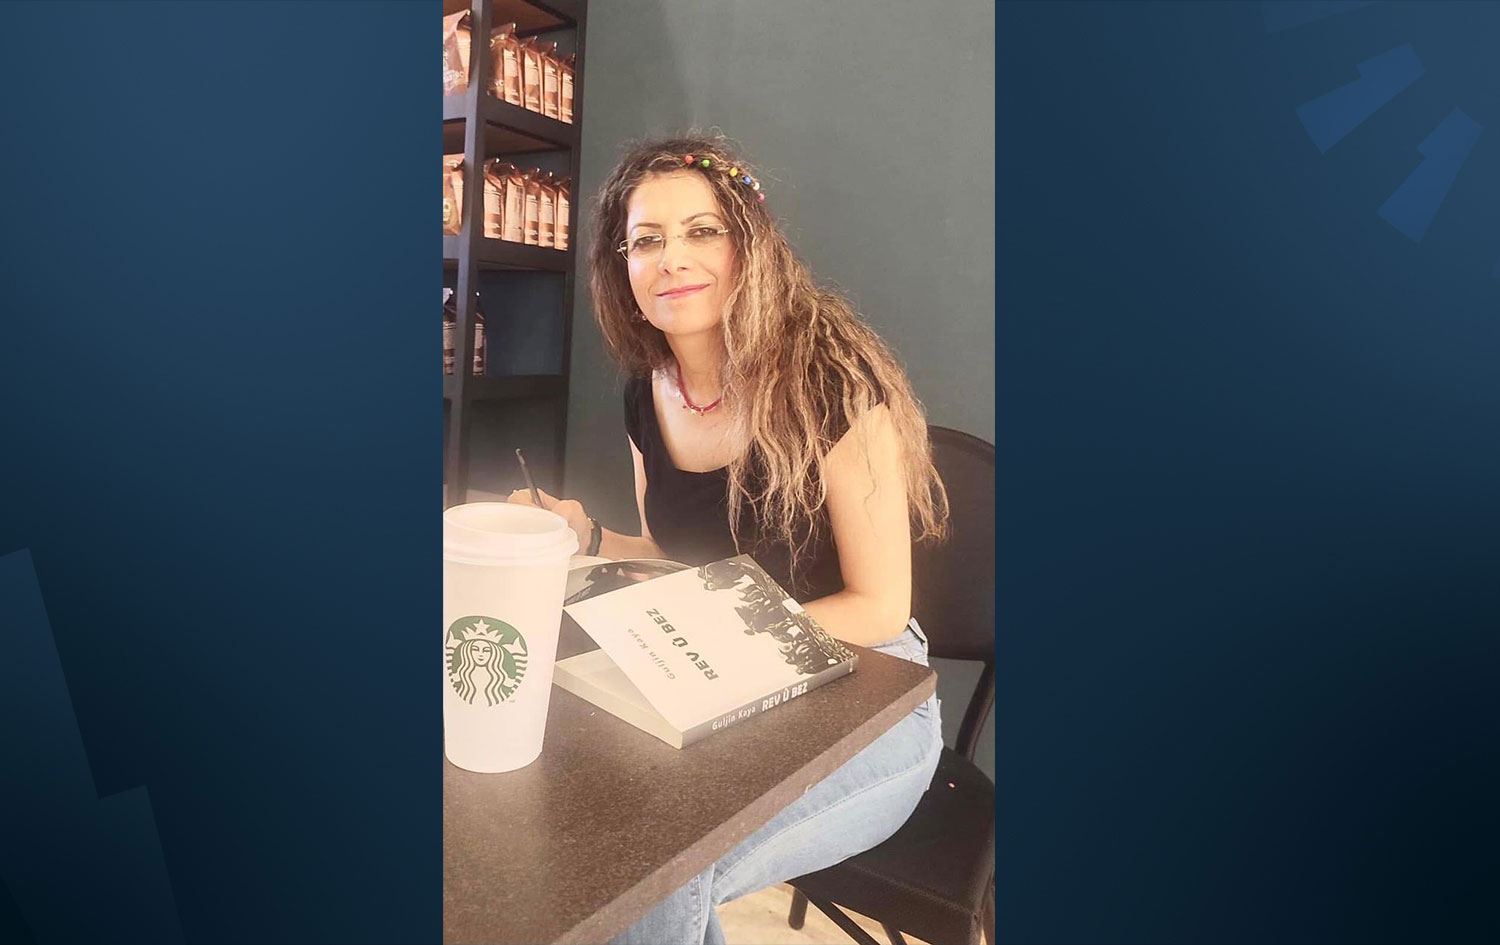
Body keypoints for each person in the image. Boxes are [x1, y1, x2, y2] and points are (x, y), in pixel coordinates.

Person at [507, 133, 951, 945]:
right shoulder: (648, 391)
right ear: (622, 267)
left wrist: (715, 632)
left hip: (873, 698)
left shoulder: (831, 380)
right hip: (726, 679)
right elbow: (675, 554)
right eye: (647, 240)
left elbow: (881, 604)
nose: (672, 258)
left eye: (702, 230)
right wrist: (588, 532)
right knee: (607, 834)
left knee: (658, 868)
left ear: (749, 246)